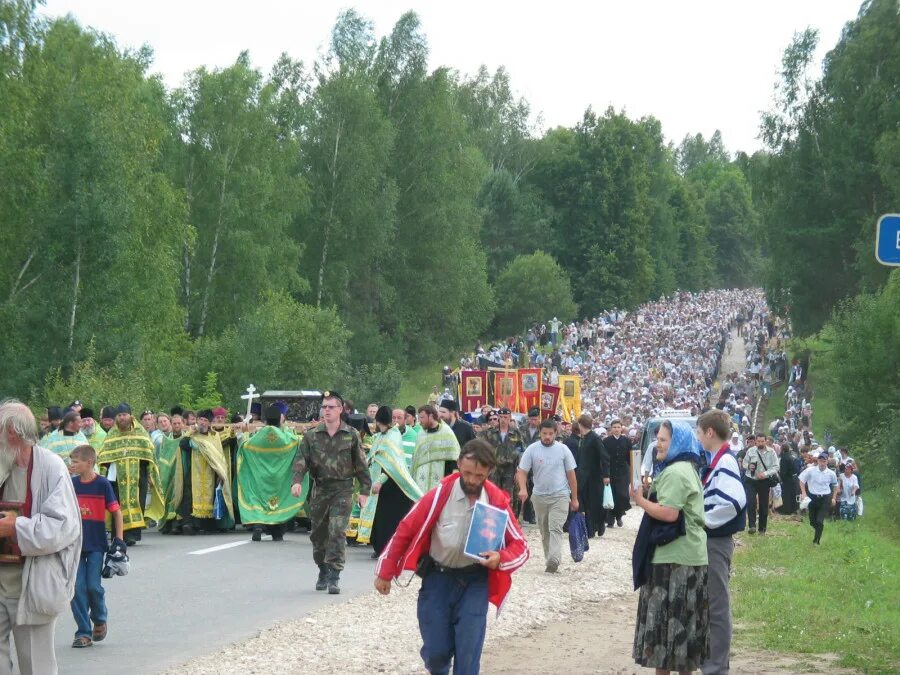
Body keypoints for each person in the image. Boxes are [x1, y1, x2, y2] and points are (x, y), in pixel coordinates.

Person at [374, 439, 530, 675]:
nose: (471, 480)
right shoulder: (439, 495)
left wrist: (501, 557)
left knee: (468, 652)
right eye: (467, 473)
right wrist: (385, 573)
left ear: (489, 471)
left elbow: (521, 546)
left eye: (479, 475)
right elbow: (404, 530)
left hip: (475, 582)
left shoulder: (496, 503)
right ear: (458, 464)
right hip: (438, 579)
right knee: (436, 654)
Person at [0, 399, 82, 674]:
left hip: (33, 586)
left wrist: (15, 528)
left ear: (13, 432)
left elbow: (61, 527)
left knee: (37, 666)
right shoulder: (2, 462)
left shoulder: (51, 467)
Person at [631, 420, 709, 674]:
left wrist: (640, 500)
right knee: (683, 634)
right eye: (658, 439)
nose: (658, 445)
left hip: (673, 560)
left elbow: (669, 514)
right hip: (688, 556)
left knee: (664, 636)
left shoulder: (676, 472)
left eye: (663, 440)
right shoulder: (687, 468)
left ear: (677, 443)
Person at [291, 391, 371, 595]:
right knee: (318, 535)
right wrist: (297, 482)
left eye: (331, 407)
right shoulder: (312, 435)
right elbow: (301, 461)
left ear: (340, 409)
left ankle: (335, 575)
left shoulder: (351, 434)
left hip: (343, 489)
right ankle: (323, 569)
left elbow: (361, 464)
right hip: (320, 490)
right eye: (324, 407)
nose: (326, 410)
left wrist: (364, 490)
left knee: (337, 531)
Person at [696, 409, 747, 675]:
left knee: (716, 606)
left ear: (709, 432)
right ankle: (712, 664)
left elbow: (734, 501)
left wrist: (703, 520)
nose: (698, 437)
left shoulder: (725, 461)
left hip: (716, 542)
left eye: (699, 432)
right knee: (711, 603)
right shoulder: (719, 459)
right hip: (714, 541)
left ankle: (716, 668)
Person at [68, 444, 124, 648]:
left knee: (93, 586)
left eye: (76, 462)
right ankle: (83, 632)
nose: (72, 465)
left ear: (89, 463)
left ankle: (99, 618)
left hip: (96, 544)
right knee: (76, 588)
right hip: (73, 545)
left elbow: (117, 512)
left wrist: (119, 540)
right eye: (71, 462)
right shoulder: (70, 484)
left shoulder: (102, 485)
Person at [357, 406, 422, 556]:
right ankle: (379, 547)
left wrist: (380, 481)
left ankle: (389, 549)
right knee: (379, 517)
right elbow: (375, 457)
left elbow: (392, 465)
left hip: (392, 484)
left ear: (379, 420)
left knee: (389, 519)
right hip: (379, 485)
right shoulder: (380, 435)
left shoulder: (393, 436)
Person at [96, 403, 165, 545]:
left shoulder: (140, 432)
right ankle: (118, 535)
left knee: (137, 503)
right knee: (117, 505)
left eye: (125, 415)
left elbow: (149, 452)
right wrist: (103, 473)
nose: (122, 418)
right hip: (116, 476)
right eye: (120, 415)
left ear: (130, 415)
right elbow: (104, 454)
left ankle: (132, 536)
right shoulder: (112, 434)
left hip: (138, 474)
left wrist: (150, 473)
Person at [516, 419, 577, 573]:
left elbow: (571, 476)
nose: (547, 437)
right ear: (540, 433)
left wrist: (574, 498)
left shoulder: (563, 450)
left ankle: (554, 559)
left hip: (560, 495)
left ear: (556, 433)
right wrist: (523, 488)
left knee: (555, 527)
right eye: (544, 434)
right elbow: (522, 471)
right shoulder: (532, 450)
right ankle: (549, 558)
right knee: (544, 530)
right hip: (539, 496)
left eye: (551, 434)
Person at [238, 405, 306, 542]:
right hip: (280, 479)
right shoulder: (287, 437)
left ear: (265, 421)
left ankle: (258, 525)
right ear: (280, 420)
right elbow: (299, 443)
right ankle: (277, 532)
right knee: (278, 501)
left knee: (259, 499)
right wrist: (303, 433)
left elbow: (244, 446)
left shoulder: (257, 436)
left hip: (261, 478)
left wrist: (243, 432)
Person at [177, 410, 235, 534]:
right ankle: (190, 524)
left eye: (206, 421)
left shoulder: (214, 437)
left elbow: (219, 457)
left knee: (211, 497)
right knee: (190, 495)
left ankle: (208, 524)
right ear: (197, 420)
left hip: (211, 472)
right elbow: (182, 445)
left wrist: (220, 473)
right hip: (194, 471)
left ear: (209, 423)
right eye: (201, 420)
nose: (203, 423)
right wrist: (189, 434)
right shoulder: (192, 435)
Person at [477, 407, 524, 502]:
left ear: (510, 417)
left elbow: (522, 450)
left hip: (510, 469)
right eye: (501, 417)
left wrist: (519, 470)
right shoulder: (489, 432)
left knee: (508, 496)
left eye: (505, 417)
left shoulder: (516, 433)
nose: (503, 420)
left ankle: (508, 515)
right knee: (493, 494)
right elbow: (481, 447)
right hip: (494, 468)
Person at [411, 405, 461, 493]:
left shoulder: (446, 432)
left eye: (422, 418)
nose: (420, 421)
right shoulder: (420, 434)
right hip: (421, 481)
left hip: (441, 479)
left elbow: (453, 458)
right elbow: (416, 459)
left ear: (431, 416)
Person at [577, 414, 610, 538]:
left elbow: (605, 457)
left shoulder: (595, 439)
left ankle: (597, 525)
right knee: (585, 502)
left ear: (581, 425)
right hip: (583, 476)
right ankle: (590, 528)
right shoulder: (584, 438)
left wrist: (606, 475)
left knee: (593, 503)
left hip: (594, 477)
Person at [742, 435, 778, 534]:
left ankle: (762, 529)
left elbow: (776, 467)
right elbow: (744, 463)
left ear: (766, 441)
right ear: (756, 442)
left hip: (764, 481)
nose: (760, 443)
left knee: (763, 505)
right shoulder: (751, 451)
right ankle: (752, 526)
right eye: (758, 441)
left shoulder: (771, 452)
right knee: (751, 502)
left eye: (762, 441)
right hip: (751, 479)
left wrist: (765, 474)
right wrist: (749, 466)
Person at [799, 453, 838, 545]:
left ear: (827, 462)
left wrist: (834, 498)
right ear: (817, 461)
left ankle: (816, 541)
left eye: (824, 461)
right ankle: (818, 530)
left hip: (825, 498)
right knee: (812, 521)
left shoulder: (831, 473)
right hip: (812, 497)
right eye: (820, 461)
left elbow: (835, 486)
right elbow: (801, 480)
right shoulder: (810, 470)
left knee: (819, 520)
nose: (822, 463)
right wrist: (804, 493)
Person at [602, 419, 632, 527]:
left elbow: (630, 458)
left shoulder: (627, 441)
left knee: (621, 495)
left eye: (618, 427)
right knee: (611, 494)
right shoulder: (606, 441)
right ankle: (610, 520)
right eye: (614, 427)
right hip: (610, 471)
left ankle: (619, 515)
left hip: (623, 472)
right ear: (611, 429)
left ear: (621, 428)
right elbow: (604, 458)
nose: (616, 429)